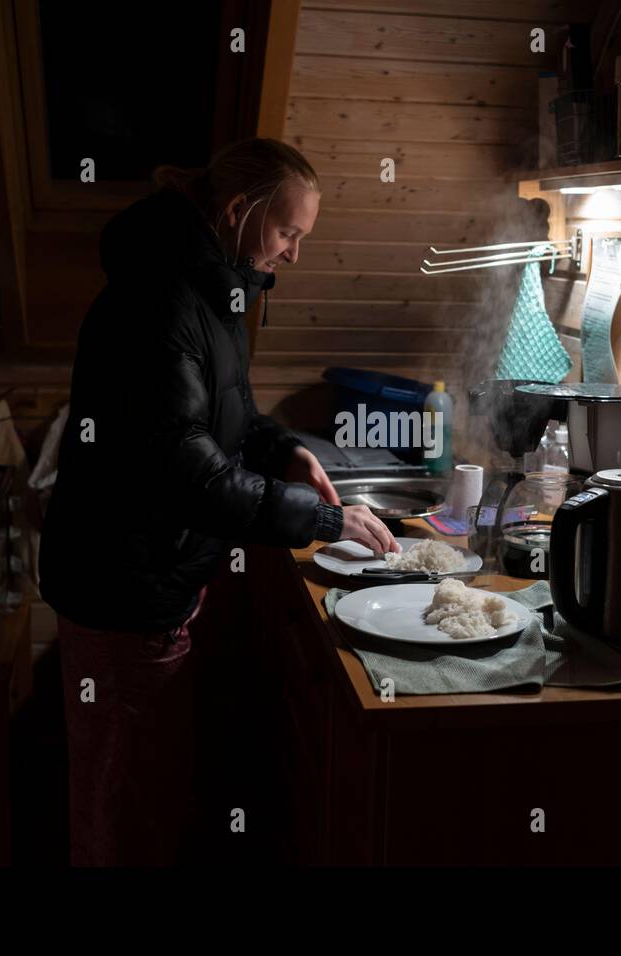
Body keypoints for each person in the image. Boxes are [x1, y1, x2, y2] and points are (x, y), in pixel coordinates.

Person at [38, 138, 400, 866]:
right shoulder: (160, 300)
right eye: (288, 233)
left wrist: (283, 450)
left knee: (147, 788)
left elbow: (225, 415)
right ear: (238, 211)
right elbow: (190, 475)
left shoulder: (212, 285)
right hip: (122, 592)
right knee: (124, 807)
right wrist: (328, 520)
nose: (293, 253)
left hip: (151, 583)